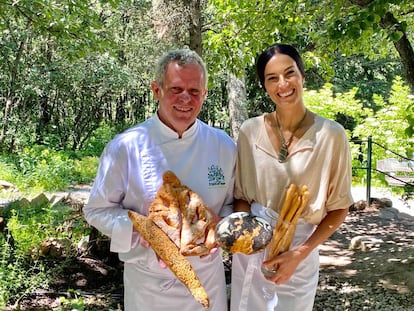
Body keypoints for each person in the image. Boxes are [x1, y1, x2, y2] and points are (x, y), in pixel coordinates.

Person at [83, 49, 237, 311]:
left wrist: (219, 222)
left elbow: (234, 204)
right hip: (149, 285)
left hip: (207, 280)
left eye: (195, 91)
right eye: (176, 89)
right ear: (156, 90)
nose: (186, 98)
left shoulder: (224, 146)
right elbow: (96, 210)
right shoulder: (126, 147)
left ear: (205, 94)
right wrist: (141, 227)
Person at [230, 43, 354, 311]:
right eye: (272, 78)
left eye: (290, 73)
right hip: (253, 245)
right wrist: (247, 235)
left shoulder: (331, 135)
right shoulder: (249, 132)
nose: (283, 84)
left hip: (299, 249)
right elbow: (240, 198)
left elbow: (339, 208)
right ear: (264, 85)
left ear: (302, 76)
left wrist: (300, 252)